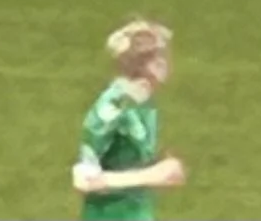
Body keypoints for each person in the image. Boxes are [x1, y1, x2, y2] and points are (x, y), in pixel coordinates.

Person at [73, 21, 185, 217]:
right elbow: (83, 179)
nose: (168, 63)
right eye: (162, 58)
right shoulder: (110, 109)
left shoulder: (145, 104)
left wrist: (163, 168)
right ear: (149, 65)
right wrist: (153, 175)